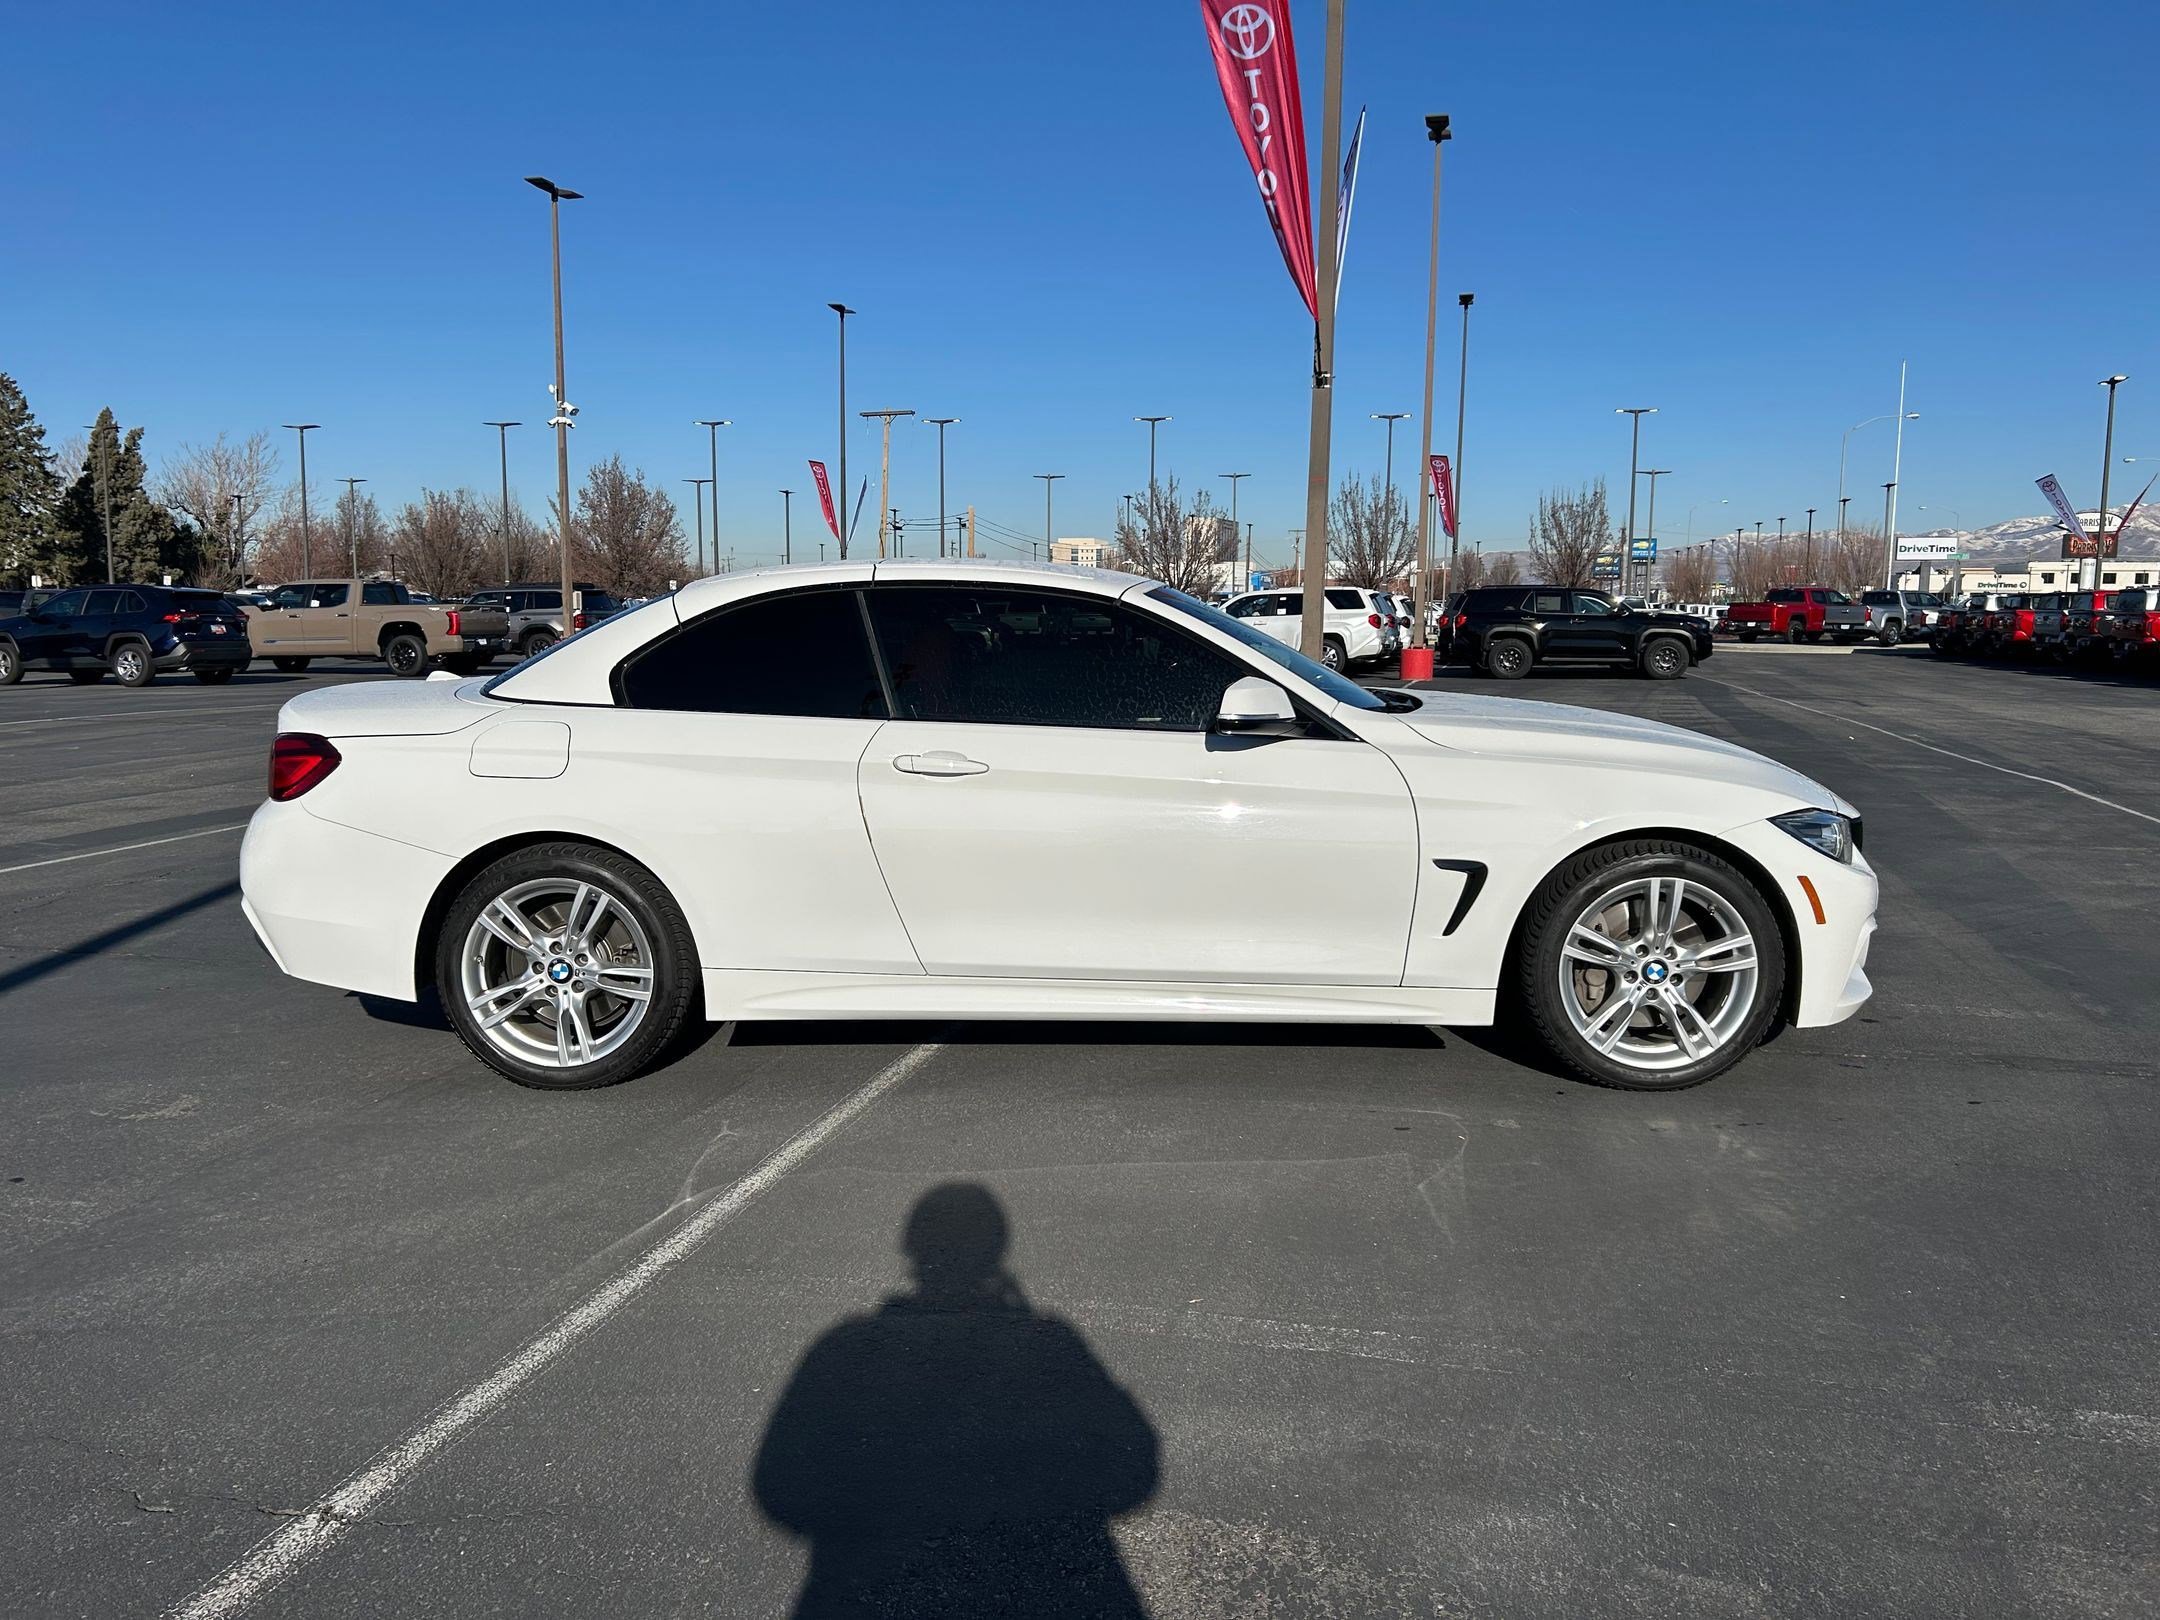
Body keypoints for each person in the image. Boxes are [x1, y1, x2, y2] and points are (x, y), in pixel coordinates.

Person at [753, 1182, 1159, 1617]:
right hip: (1041, 1597)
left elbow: (779, 1487)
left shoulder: (848, 1351)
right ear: (996, 1251)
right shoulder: (1047, 1349)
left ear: (911, 1249)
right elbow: (1134, 1472)